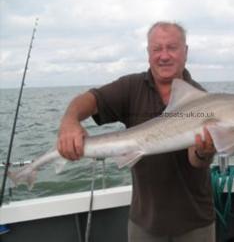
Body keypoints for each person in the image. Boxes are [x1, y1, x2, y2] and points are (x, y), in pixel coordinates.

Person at [57, 21, 216, 242]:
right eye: (157, 49)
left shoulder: (202, 100)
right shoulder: (131, 87)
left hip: (195, 221)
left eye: (172, 47)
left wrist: (203, 153)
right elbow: (90, 99)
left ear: (185, 52)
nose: (164, 55)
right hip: (145, 221)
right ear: (148, 53)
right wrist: (69, 121)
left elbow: (197, 162)